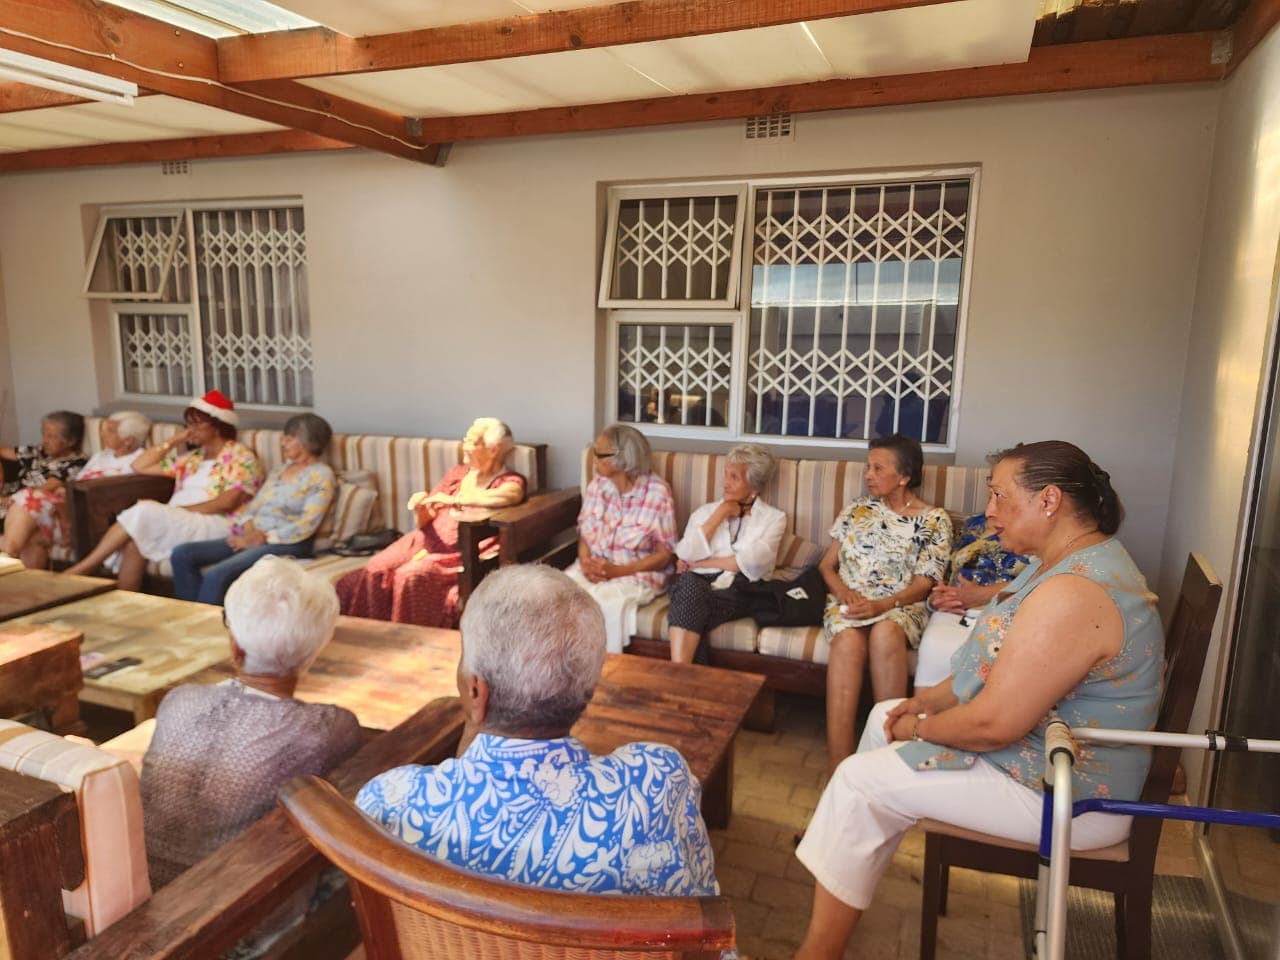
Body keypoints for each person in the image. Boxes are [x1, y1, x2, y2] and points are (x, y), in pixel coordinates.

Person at [794, 441, 1162, 959]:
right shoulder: (1056, 563)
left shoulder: (1076, 592)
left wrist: (920, 729)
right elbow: (985, 666)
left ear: (1049, 500)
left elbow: (993, 725)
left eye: (998, 495)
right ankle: (854, 874)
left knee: (858, 782)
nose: (987, 511)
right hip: (1040, 757)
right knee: (883, 714)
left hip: (1070, 797)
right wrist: (925, 704)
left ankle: (816, 952)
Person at [356, 565, 735, 959]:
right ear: (588, 687)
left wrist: (477, 718)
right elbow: (708, 933)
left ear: (475, 690)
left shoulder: (389, 802)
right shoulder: (658, 784)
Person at [141, 555, 361, 888]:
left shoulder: (178, 701)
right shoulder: (325, 729)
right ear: (312, 654)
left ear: (235, 646)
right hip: (242, 910)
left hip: (147, 888)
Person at [818, 434, 952, 770]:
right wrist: (842, 593)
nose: (868, 475)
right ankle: (840, 767)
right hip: (850, 600)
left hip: (901, 605)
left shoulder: (935, 520)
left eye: (878, 468)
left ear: (904, 476)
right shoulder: (857, 509)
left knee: (886, 633)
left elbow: (924, 584)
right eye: (868, 467)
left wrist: (883, 606)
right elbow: (826, 565)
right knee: (847, 641)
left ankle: (885, 759)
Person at [64, 390, 262, 591]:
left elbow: (227, 503)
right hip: (180, 520)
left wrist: (179, 511)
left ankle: (83, 569)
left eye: (196, 424)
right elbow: (140, 465)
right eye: (188, 424)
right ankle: (124, 604)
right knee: (135, 545)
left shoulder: (241, 456)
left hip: (218, 523)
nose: (191, 429)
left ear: (218, 425)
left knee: (145, 509)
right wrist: (176, 440)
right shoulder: (192, 458)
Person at [336, 417, 525, 628]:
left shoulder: (508, 481)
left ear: (493, 450)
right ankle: (371, 636)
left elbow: (507, 497)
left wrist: (455, 500)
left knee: (410, 577)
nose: (464, 446)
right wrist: (421, 509)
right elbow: (426, 517)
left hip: (460, 553)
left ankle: (409, 643)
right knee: (375, 569)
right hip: (423, 540)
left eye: (471, 441)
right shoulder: (457, 474)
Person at [171, 413, 336, 606]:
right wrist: (248, 529)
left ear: (308, 442)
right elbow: (254, 505)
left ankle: (206, 633)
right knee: (183, 554)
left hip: (288, 542)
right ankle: (189, 619)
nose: (283, 443)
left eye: (289, 439)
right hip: (252, 536)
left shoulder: (321, 475)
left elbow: (307, 524)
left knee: (217, 575)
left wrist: (261, 538)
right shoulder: (280, 470)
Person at [667, 444, 786, 663]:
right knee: (691, 591)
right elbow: (684, 552)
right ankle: (683, 676)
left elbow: (751, 563)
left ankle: (678, 676)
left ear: (754, 485)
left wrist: (700, 564)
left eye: (734, 477)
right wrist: (719, 514)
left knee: (688, 598)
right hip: (698, 584)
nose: (725, 483)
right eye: (725, 474)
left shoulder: (774, 518)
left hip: (740, 589)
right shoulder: (706, 512)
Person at [565, 424, 676, 654]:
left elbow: (665, 554)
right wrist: (586, 563)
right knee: (557, 595)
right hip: (594, 569)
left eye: (599, 454)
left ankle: (604, 672)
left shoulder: (657, 493)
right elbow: (585, 533)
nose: (593, 459)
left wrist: (618, 572)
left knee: (603, 605)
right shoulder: (598, 485)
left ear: (622, 458)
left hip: (636, 576)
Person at [913, 510, 1029, 689]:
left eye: (998, 494)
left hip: (1003, 613)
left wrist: (980, 595)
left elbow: (1037, 581)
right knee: (934, 644)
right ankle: (923, 712)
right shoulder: (973, 525)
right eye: (990, 492)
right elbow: (947, 575)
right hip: (955, 610)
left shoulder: (1034, 529)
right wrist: (937, 598)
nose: (992, 504)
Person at [0, 410, 91, 568]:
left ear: (70, 441)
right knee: (33, 538)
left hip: (40, 509)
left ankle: (7, 558)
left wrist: (7, 500)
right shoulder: (39, 452)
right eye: (44, 434)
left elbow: (44, 490)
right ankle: (27, 585)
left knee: (29, 499)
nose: (44, 440)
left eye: (52, 436)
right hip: (16, 508)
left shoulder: (75, 463)